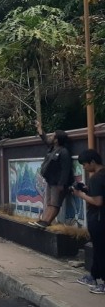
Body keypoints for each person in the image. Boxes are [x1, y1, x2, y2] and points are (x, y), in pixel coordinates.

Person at [73, 150, 105, 294]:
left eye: (85, 164)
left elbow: (98, 201)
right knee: (98, 249)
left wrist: (80, 194)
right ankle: (93, 275)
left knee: (100, 250)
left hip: (98, 219)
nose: (84, 167)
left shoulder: (96, 178)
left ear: (92, 162)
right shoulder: (102, 175)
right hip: (101, 218)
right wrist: (86, 189)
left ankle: (103, 283)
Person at [32, 124, 73, 228]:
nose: (50, 137)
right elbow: (46, 140)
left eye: (53, 136)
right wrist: (39, 129)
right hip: (50, 181)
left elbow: (65, 170)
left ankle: (47, 222)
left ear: (57, 140)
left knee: (55, 204)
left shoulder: (64, 152)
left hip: (58, 183)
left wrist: (61, 184)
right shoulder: (52, 148)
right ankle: (43, 221)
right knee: (50, 203)